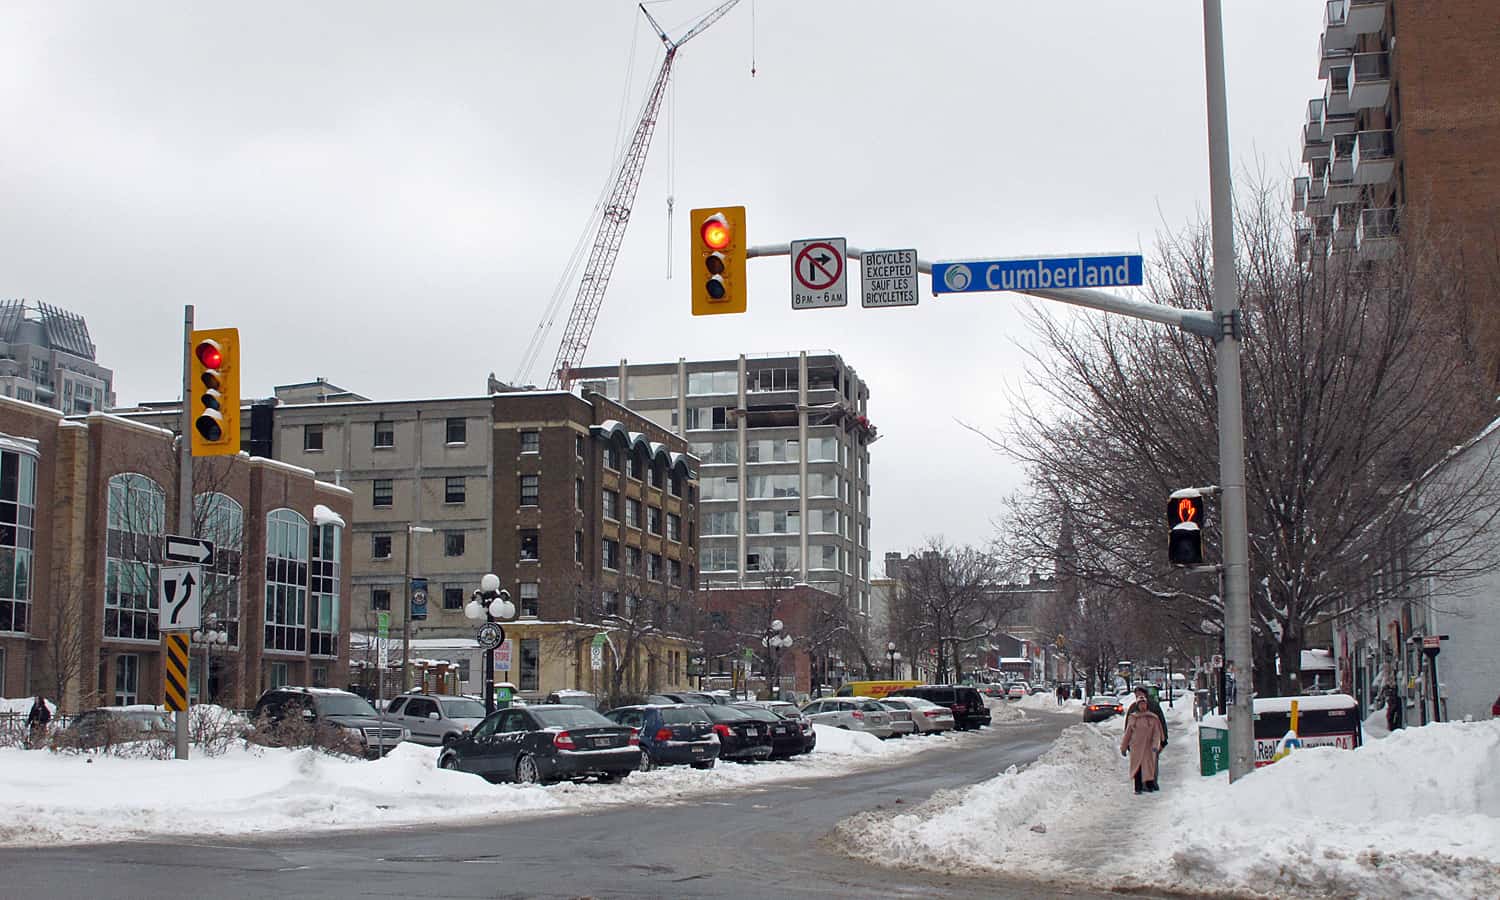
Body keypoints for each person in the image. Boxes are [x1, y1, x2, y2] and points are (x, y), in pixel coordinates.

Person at [1120, 687, 1164, 794]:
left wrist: (1156, 745)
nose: (1142, 706)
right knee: (1137, 767)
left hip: (1149, 747)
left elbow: (1157, 733)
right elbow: (1128, 733)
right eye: (1140, 704)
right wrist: (1124, 747)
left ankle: (1150, 785)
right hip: (1136, 747)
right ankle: (1138, 787)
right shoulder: (1133, 718)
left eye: (1144, 704)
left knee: (1149, 766)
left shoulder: (1153, 718)